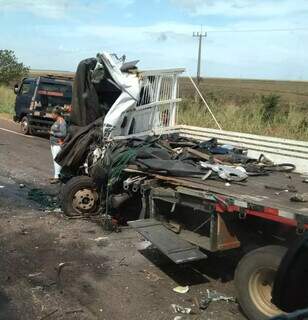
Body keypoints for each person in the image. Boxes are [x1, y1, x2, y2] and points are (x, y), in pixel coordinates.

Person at [49, 106, 67, 184]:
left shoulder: (62, 122)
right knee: (55, 160)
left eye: (53, 114)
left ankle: (57, 177)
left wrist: (53, 133)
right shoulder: (57, 121)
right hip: (53, 144)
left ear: (57, 114)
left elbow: (63, 134)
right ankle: (56, 175)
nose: (52, 115)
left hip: (58, 144)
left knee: (57, 161)